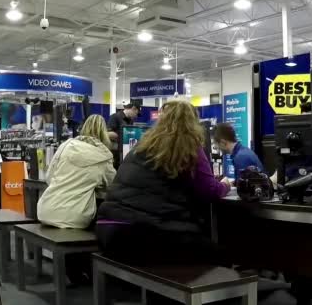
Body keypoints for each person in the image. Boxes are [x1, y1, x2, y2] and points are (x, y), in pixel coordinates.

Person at [96, 100, 232, 264]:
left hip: (108, 231)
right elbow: (210, 191)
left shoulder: (141, 145)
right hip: (143, 234)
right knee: (221, 255)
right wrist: (226, 184)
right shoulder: (189, 147)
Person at [37, 114, 116, 284]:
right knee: (103, 220)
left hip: (46, 209)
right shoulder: (104, 156)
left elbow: (49, 177)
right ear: (104, 133)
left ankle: (76, 271)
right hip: (76, 215)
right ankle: (97, 271)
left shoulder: (66, 146)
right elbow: (113, 186)